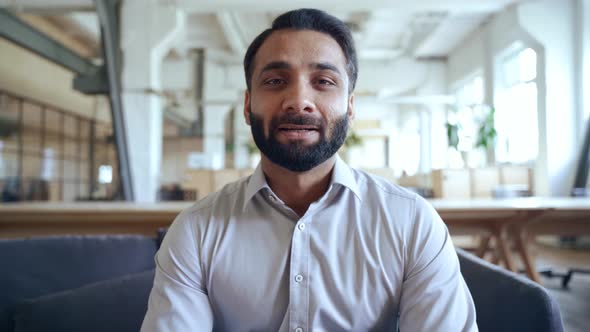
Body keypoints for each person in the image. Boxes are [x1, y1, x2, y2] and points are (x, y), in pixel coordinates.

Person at [141, 8, 477, 332]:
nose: (298, 100)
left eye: (323, 81)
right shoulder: (196, 231)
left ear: (349, 105)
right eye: (275, 80)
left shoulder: (412, 223)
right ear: (247, 105)